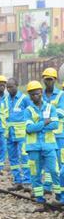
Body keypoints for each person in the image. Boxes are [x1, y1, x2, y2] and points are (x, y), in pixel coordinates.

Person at [24, 81, 61, 208]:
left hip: (49, 146)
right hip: (33, 148)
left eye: (37, 94)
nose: (35, 96)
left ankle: (60, 197)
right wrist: (45, 123)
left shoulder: (51, 108)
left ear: (41, 93)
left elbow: (55, 124)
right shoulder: (28, 111)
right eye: (32, 94)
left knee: (54, 171)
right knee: (35, 174)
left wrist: (38, 125)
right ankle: (40, 199)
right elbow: (28, 129)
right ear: (29, 95)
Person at [41, 68, 64, 196]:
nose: (48, 81)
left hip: (59, 135)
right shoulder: (40, 94)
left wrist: (45, 119)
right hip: (46, 135)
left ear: (55, 80)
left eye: (50, 79)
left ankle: (60, 188)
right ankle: (48, 186)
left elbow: (61, 113)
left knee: (60, 162)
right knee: (48, 161)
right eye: (46, 79)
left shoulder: (61, 95)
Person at [6, 78, 32, 191]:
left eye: (11, 87)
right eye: (7, 87)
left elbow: (31, 112)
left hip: (22, 134)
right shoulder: (6, 99)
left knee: (24, 157)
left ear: (17, 85)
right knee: (13, 158)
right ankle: (17, 181)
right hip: (10, 134)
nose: (8, 89)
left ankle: (27, 182)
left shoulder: (24, 99)